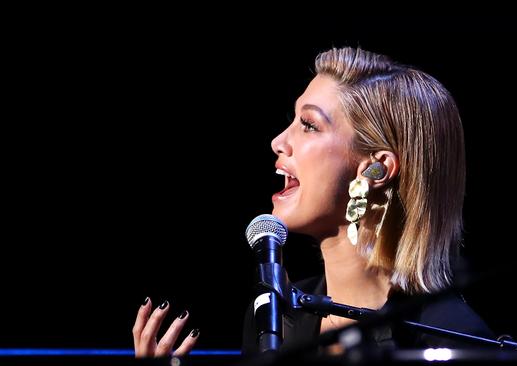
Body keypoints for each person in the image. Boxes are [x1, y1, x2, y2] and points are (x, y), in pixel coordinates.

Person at [132, 46, 493, 358]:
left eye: (308, 125)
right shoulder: (276, 317)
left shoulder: (448, 336)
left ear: (376, 169)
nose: (278, 141)